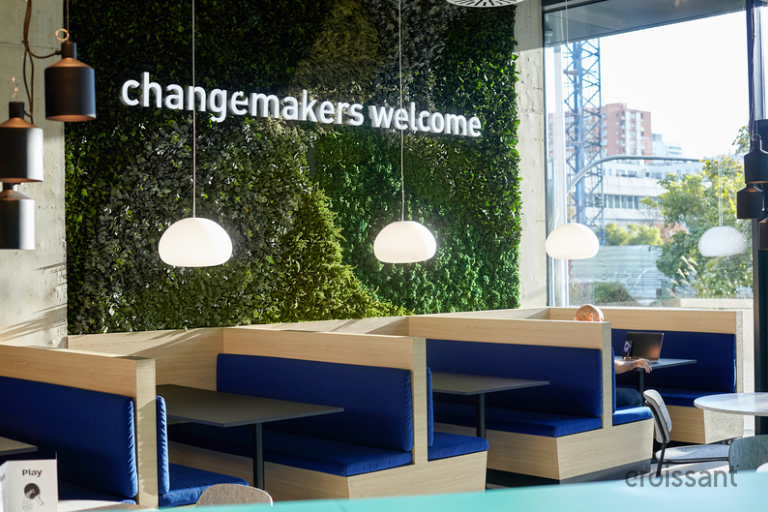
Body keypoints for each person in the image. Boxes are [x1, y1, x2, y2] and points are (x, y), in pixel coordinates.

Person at [573, 304, 650, 408]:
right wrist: (635, 363)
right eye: (601, 319)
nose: (602, 322)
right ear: (591, 317)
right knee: (636, 396)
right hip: (593, 396)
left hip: (574, 393)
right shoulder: (594, 340)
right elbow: (613, 367)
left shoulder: (570, 338)